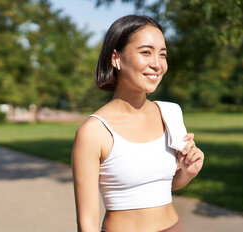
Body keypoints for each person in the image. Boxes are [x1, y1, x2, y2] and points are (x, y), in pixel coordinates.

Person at [72, 15, 205, 232]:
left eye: (162, 55)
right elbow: (87, 223)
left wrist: (188, 172)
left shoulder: (170, 113)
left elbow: (158, 187)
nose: (157, 64)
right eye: (146, 52)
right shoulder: (94, 131)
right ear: (116, 58)